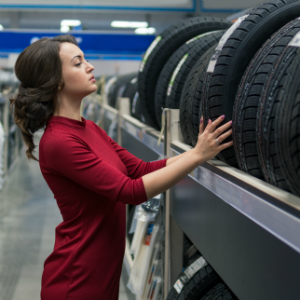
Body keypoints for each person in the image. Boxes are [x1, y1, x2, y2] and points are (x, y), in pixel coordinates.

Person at [9, 34, 233, 300]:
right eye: (78, 63)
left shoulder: (88, 128)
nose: (91, 67)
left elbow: (140, 170)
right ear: (56, 80)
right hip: (77, 277)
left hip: (102, 269)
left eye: (85, 60)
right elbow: (131, 191)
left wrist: (199, 152)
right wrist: (197, 156)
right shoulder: (59, 141)